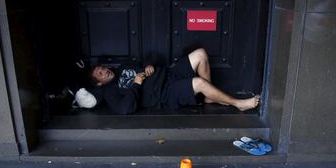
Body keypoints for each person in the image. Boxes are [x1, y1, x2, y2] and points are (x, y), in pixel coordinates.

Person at [87, 48, 260, 114]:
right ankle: (239, 104)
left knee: (200, 54)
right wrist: (136, 85)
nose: (105, 71)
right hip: (165, 94)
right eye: (101, 73)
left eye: (103, 68)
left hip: (169, 73)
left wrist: (148, 64)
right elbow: (125, 109)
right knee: (199, 83)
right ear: (99, 83)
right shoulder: (111, 93)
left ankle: (209, 96)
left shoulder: (123, 66)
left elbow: (146, 57)